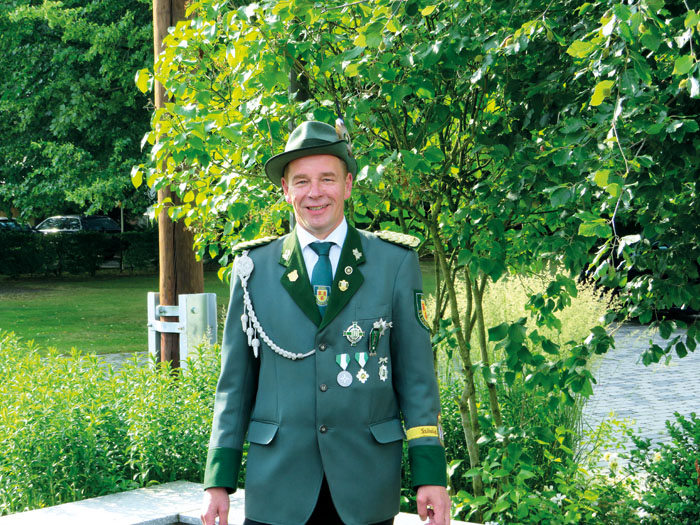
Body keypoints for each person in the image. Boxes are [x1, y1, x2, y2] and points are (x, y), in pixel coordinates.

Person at [201, 121, 450, 525]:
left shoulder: (394, 264)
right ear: (285, 190)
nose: (314, 193)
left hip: (365, 486)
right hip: (277, 489)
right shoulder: (253, 269)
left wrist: (430, 475)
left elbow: (417, 381)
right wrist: (218, 481)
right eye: (301, 181)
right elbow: (234, 386)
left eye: (327, 179)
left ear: (348, 185)